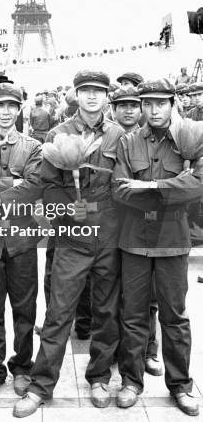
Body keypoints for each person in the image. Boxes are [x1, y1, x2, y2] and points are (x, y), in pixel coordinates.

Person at [13, 70, 124, 417]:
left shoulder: (119, 135)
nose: (92, 97)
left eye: (98, 91)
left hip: (108, 233)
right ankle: (41, 386)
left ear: (107, 96)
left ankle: (99, 376)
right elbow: (46, 184)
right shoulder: (58, 134)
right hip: (71, 237)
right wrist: (66, 204)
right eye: (85, 91)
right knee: (59, 313)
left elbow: (123, 183)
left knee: (106, 311)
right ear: (76, 94)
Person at [113, 79, 202, 416]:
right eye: (147, 103)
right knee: (133, 315)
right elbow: (119, 189)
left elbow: (198, 185)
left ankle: (180, 385)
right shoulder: (128, 141)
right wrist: (173, 189)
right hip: (134, 240)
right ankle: (131, 381)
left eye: (160, 103)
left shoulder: (188, 140)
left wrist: (150, 185)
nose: (153, 110)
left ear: (172, 104)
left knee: (175, 317)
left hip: (172, 240)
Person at [0, 82, 42, 401]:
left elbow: (33, 188)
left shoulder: (33, 146)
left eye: (11, 106)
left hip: (22, 241)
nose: (5, 112)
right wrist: (11, 183)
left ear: (19, 109)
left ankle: (23, 367)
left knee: (25, 309)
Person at [110, 87, 162, 376]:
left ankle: (150, 349)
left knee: (150, 296)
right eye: (122, 106)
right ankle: (122, 347)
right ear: (113, 108)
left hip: (145, 227)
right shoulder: (108, 136)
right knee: (115, 292)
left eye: (133, 105)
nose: (128, 111)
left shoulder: (153, 138)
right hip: (111, 225)